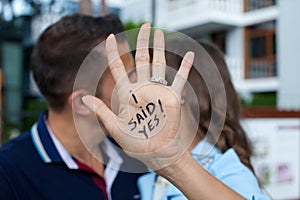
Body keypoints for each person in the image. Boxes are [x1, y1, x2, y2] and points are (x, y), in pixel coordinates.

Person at [82, 24, 269, 199]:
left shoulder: (227, 173)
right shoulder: (147, 173)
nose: (136, 86)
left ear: (182, 88)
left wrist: (174, 163)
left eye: (153, 75)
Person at [0, 14, 147, 200]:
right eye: (127, 77)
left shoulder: (138, 153)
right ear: (82, 102)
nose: (140, 83)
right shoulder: (8, 177)